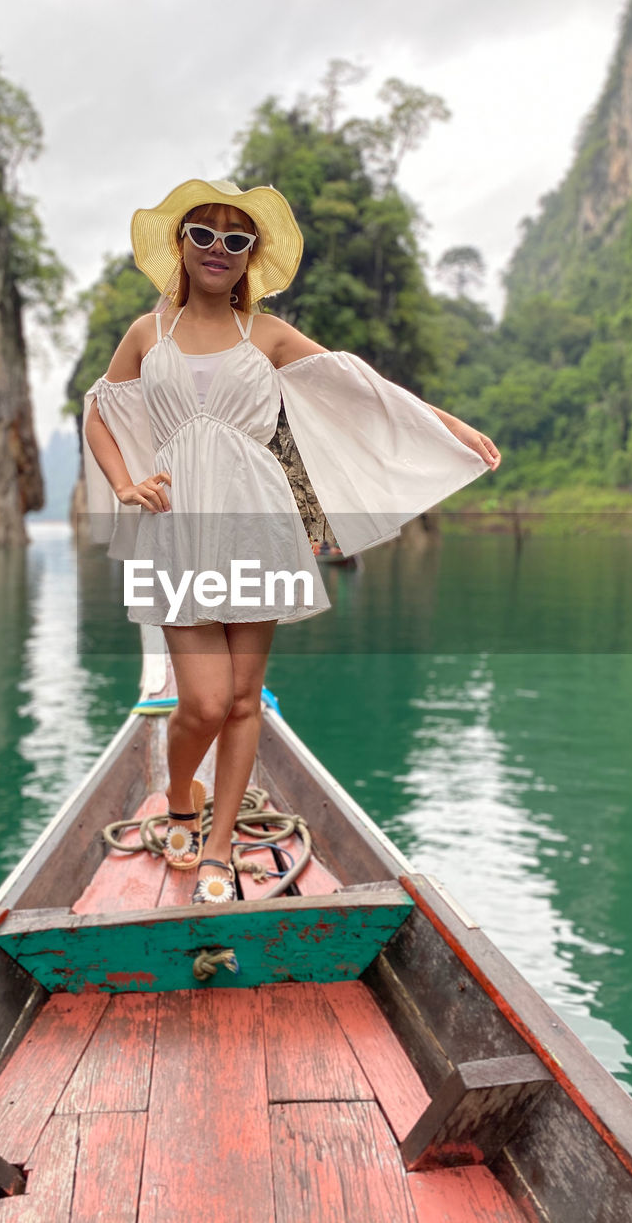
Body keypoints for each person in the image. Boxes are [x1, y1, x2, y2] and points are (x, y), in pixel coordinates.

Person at [83, 178, 501, 905]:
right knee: (204, 703)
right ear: (180, 246)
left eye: (236, 239)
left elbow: (363, 390)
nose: (219, 249)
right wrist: (124, 482)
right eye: (204, 235)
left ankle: (218, 845)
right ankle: (181, 795)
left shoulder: (268, 336)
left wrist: (451, 428)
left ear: (252, 257)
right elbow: (99, 410)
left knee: (243, 701)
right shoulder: (149, 331)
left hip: (259, 521)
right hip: (179, 526)